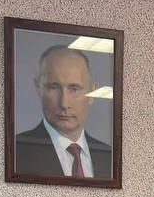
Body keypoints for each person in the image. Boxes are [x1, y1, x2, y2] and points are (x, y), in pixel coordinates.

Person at [15, 45, 112, 179]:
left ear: (92, 93)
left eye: (74, 89)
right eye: (54, 88)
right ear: (38, 89)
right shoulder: (16, 152)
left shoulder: (110, 157)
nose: (64, 103)